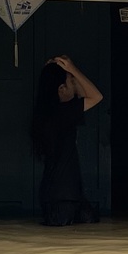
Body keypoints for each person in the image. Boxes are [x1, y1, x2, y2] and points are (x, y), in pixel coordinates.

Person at [30, 54, 104, 226]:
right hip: (63, 197)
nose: (76, 85)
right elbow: (96, 96)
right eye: (72, 81)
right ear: (61, 89)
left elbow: (83, 93)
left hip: (63, 195)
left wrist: (65, 73)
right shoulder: (62, 113)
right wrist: (73, 69)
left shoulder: (54, 114)